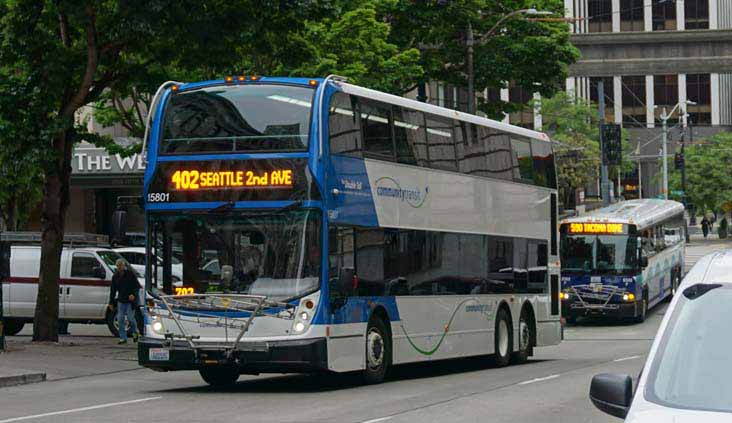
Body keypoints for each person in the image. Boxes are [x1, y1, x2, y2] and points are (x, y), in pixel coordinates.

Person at [108, 259, 139, 344]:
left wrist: (133, 294)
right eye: (118, 266)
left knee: (130, 318)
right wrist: (110, 302)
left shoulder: (130, 274)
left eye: (121, 265)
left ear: (124, 266)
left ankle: (135, 333)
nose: (119, 267)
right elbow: (113, 290)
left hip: (130, 301)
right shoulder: (115, 276)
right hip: (121, 300)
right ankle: (123, 338)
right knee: (120, 319)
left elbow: (136, 286)